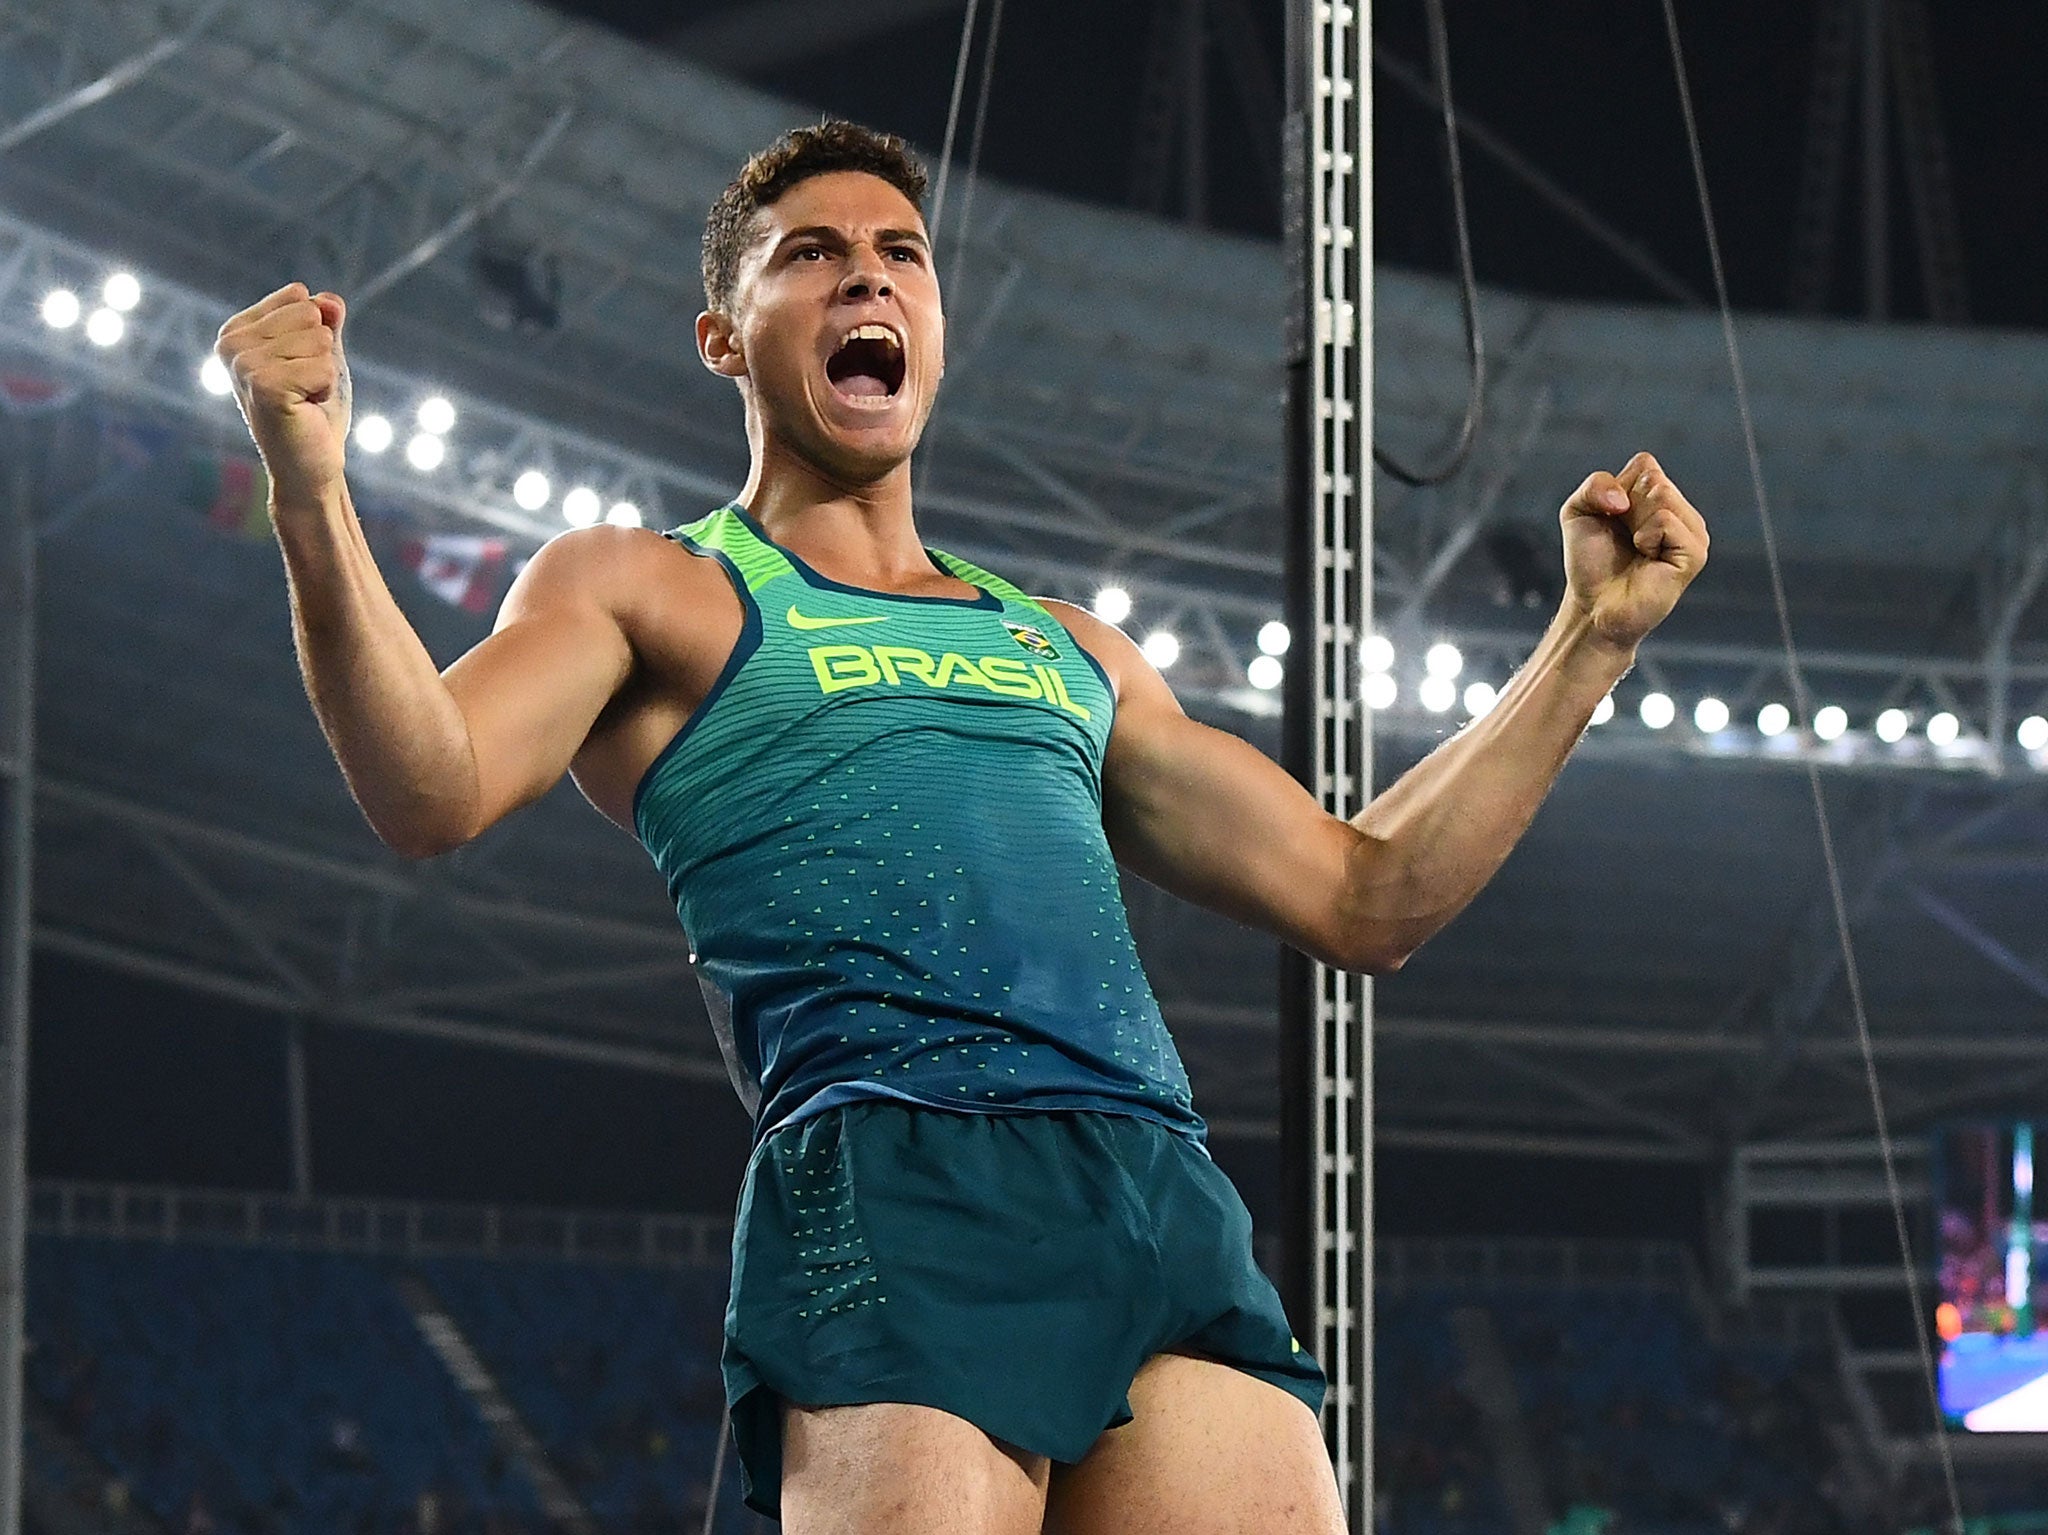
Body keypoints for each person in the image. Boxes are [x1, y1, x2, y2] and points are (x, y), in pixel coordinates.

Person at [214, 119, 1707, 1535]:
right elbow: (431, 785)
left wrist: (1589, 641)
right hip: (900, 1172)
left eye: (902, 252)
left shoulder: (1070, 648)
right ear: (723, 340)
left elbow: (1365, 896)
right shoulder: (650, 588)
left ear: (934, 327)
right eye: (811, 254)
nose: (868, 271)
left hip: (1154, 1191)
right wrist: (312, 491)